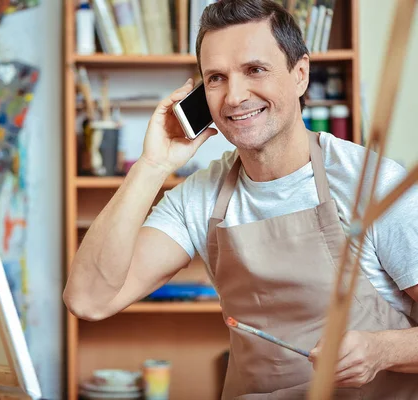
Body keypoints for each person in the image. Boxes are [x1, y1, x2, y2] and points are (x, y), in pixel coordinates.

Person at [63, 0, 418, 397]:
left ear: (299, 74)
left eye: (255, 70)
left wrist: (382, 350)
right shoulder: (199, 198)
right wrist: (152, 164)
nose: (234, 97)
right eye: (216, 78)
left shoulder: (374, 185)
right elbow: (89, 300)